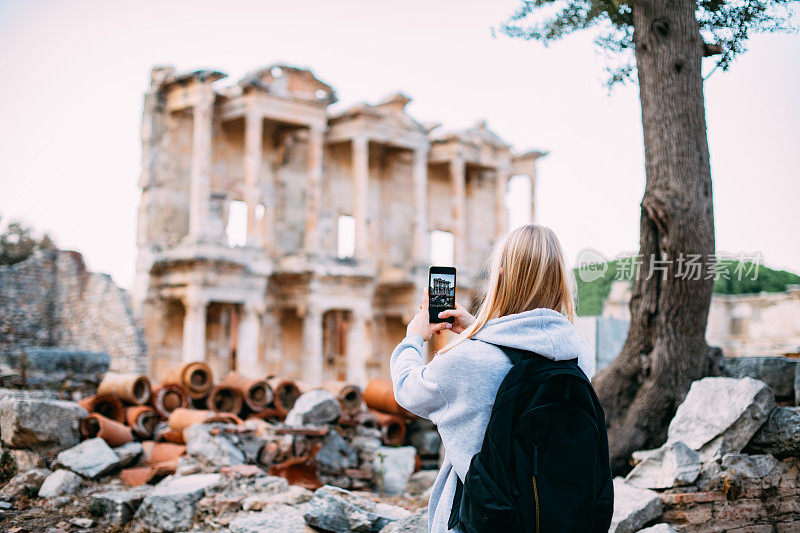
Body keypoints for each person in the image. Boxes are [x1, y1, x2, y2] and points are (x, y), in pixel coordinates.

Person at [390, 224, 594, 532]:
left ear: (500, 276)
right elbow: (521, 352)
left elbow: (407, 389)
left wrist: (414, 336)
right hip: (555, 518)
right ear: (560, 280)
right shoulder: (577, 355)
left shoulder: (466, 360)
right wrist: (478, 331)